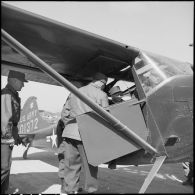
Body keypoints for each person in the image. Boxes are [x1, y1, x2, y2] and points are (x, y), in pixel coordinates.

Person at [61, 72, 109, 194]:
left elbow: (64, 114)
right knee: (90, 165)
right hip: (88, 135)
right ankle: (90, 190)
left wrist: (71, 127)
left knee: (71, 164)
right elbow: (107, 118)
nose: (103, 86)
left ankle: (70, 190)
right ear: (101, 82)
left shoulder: (75, 92)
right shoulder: (101, 95)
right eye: (104, 84)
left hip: (69, 133)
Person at [1, 70, 28, 194]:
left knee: (6, 167)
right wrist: (8, 138)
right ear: (15, 81)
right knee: (3, 168)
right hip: (3, 138)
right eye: (22, 82)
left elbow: (13, 122)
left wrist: (16, 136)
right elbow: (4, 120)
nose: (23, 85)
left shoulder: (13, 95)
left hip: (8, 136)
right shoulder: (6, 94)